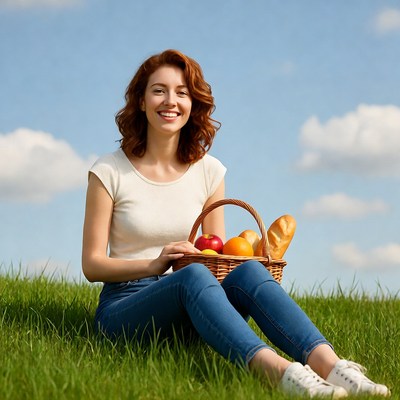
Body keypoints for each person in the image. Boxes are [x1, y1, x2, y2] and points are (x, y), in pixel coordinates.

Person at [82, 49, 390, 398]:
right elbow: (92, 266)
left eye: (182, 92)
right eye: (159, 90)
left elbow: (218, 254)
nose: (171, 101)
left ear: (193, 103)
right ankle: (279, 373)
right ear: (140, 100)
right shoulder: (108, 170)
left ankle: (333, 368)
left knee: (247, 270)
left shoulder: (209, 171)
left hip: (195, 307)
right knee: (193, 275)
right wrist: (155, 264)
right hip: (126, 308)